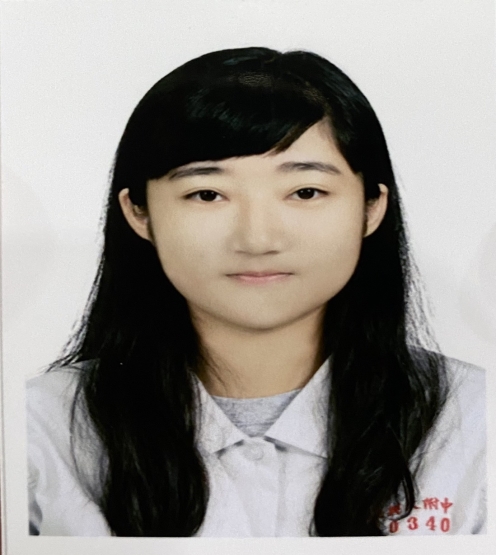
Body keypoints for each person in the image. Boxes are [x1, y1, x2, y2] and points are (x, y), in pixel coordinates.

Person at [26, 47, 486, 537]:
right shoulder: (35, 428)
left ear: (372, 207)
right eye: (207, 194)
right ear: (139, 213)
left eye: (305, 192)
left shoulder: (476, 418)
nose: (258, 239)